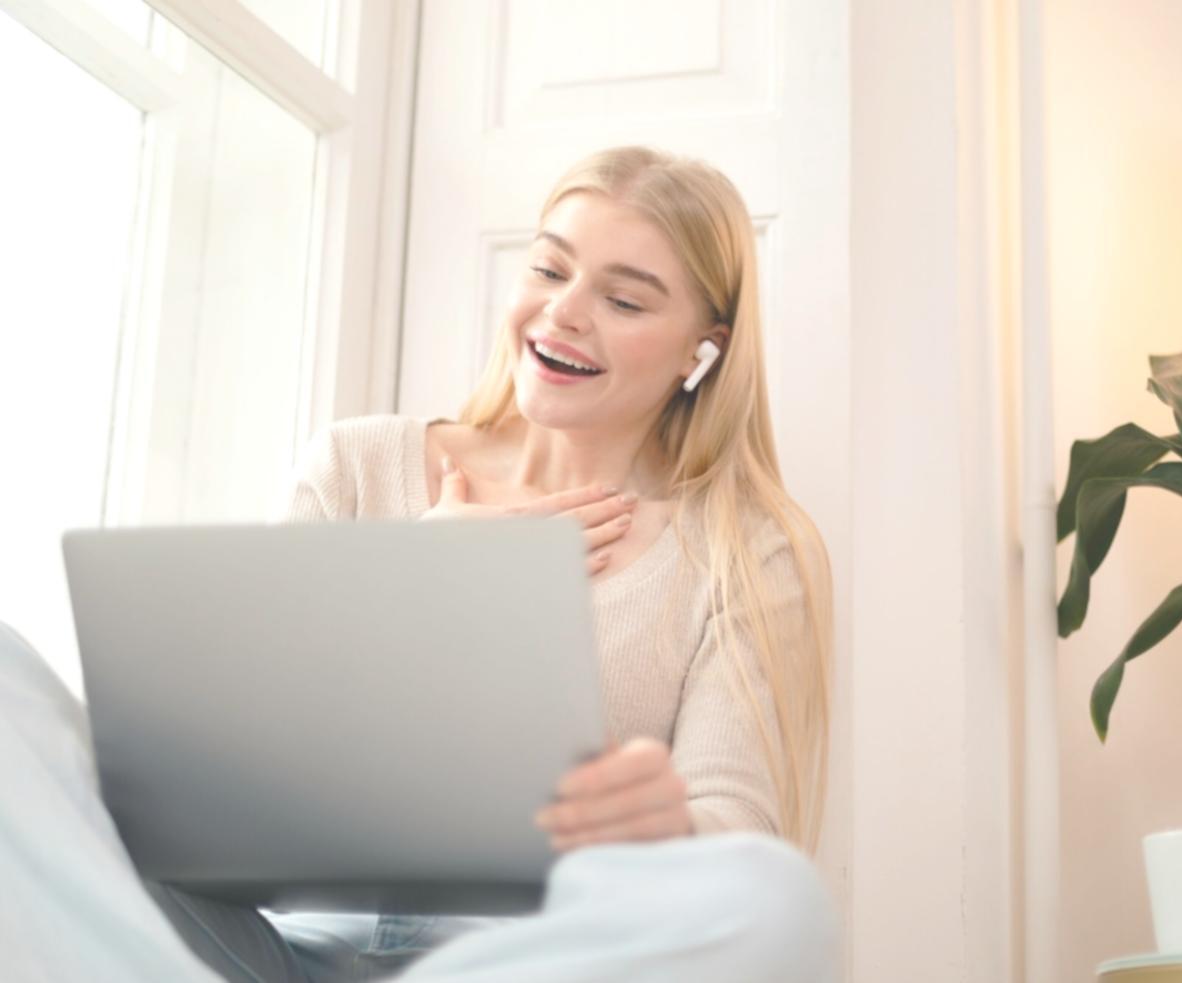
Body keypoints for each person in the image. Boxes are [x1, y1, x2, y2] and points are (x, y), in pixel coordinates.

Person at [0, 146, 837, 982]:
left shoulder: (742, 550)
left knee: (777, 894)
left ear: (702, 351)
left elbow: (736, 827)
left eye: (622, 299)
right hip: (276, 948)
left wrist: (662, 827)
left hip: (530, 958)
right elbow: (248, 769)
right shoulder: (356, 463)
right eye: (549, 269)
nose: (564, 312)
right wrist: (418, 584)